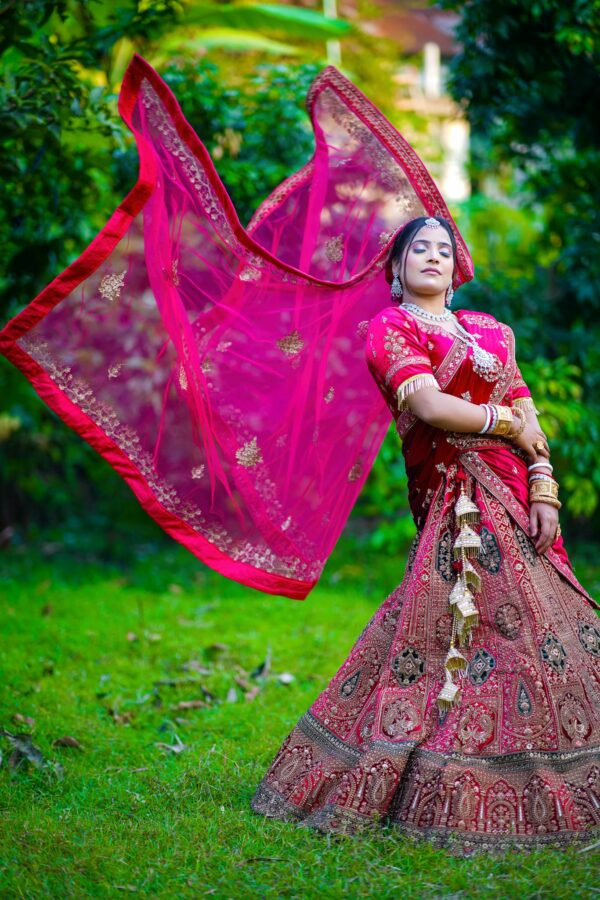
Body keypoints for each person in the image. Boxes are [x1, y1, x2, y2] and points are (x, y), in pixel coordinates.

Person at [250, 215, 600, 855]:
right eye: (420, 249)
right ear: (396, 267)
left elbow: (531, 416)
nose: (435, 257)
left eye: (444, 249)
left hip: (513, 493)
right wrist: (507, 423)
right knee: (477, 624)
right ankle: (454, 772)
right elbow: (432, 407)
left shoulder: (491, 330)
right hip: (457, 500)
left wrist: (544, 482)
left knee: (545, 622)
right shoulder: (391, 328)